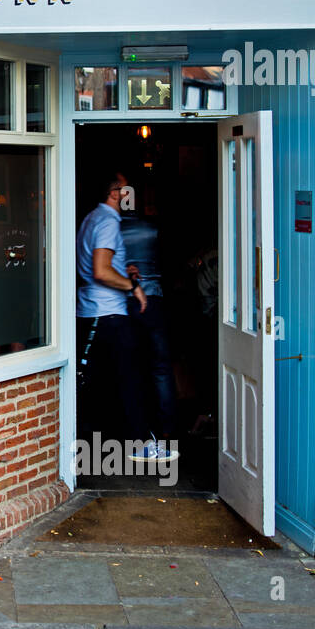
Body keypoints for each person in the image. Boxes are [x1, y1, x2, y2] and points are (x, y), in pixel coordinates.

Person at [75, 172, 173, 462]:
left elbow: (104, 264)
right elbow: (101, 270)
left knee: (104, 382)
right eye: (126, 187)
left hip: (95, 311)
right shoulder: (106, 222)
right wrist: (134, 287)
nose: (131, 192)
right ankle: (141, 444)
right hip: (107, 313)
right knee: (129, 380)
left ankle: (93, 449)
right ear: (116, 193)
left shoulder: (92, 218)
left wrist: (125, 269)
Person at [120, 181, 177, 451]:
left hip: (127, 301)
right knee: (161, 368)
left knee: (133, 367)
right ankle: (167, 430)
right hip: (154, 297)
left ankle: (138, 432)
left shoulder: (112, 230)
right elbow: (168, 262)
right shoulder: (153, 229)